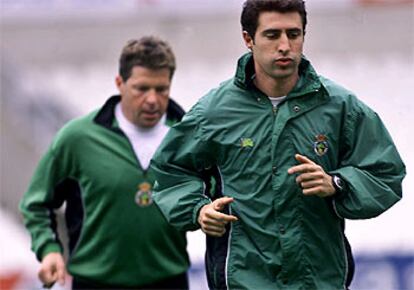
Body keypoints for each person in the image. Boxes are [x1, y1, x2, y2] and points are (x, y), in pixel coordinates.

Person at [150, 1, 406, 289]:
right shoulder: (214, 111)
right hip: (244, 281)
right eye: (272, 35)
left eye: (293, 34)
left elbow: (386, 174)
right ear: (249, 39)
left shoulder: (340, 107)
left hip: (319, 281)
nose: (285, 45)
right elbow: (169, 172)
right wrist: (197, 210)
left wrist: (337, 183)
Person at [19, 36, 190, 289]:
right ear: (119, 83)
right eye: (142, 89)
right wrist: (49, 249)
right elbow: (36, 204)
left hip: (170, 282)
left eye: (161, 89)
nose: (153, 99)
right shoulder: (78, 138)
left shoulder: (189, 136)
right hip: (95, 283)